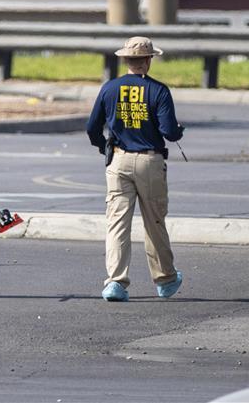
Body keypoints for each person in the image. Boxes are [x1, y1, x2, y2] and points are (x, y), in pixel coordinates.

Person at [86, 36, 184, 302]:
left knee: (117, 223)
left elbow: (92, 127)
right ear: (148, 60)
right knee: (154, 222)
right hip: (150, 161)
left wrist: (104, 147)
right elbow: (169, 131)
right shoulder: (158, 90)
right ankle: (165, 279)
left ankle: (115, 282)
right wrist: (178, 131)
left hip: (118, 160)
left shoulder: (110, 88)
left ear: (126, 60)